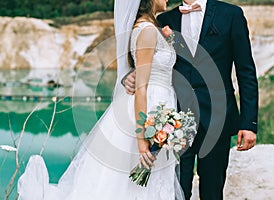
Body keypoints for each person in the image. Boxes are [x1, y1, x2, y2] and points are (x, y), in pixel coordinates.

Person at [17, 0, 185, 199]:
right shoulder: (147, 30)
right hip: (146, 110)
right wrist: (141, 141)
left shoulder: (150, 28)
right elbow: (141, 88)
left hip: (158, 106)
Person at [123, 0, 259, 199]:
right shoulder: (164, 20)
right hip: (173, 121)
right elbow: (148, 62)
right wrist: (128, 77)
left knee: (213, 190)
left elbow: (246, 71)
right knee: (176, 190)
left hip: (217, 118)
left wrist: (248, 123)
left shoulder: (231, 14)